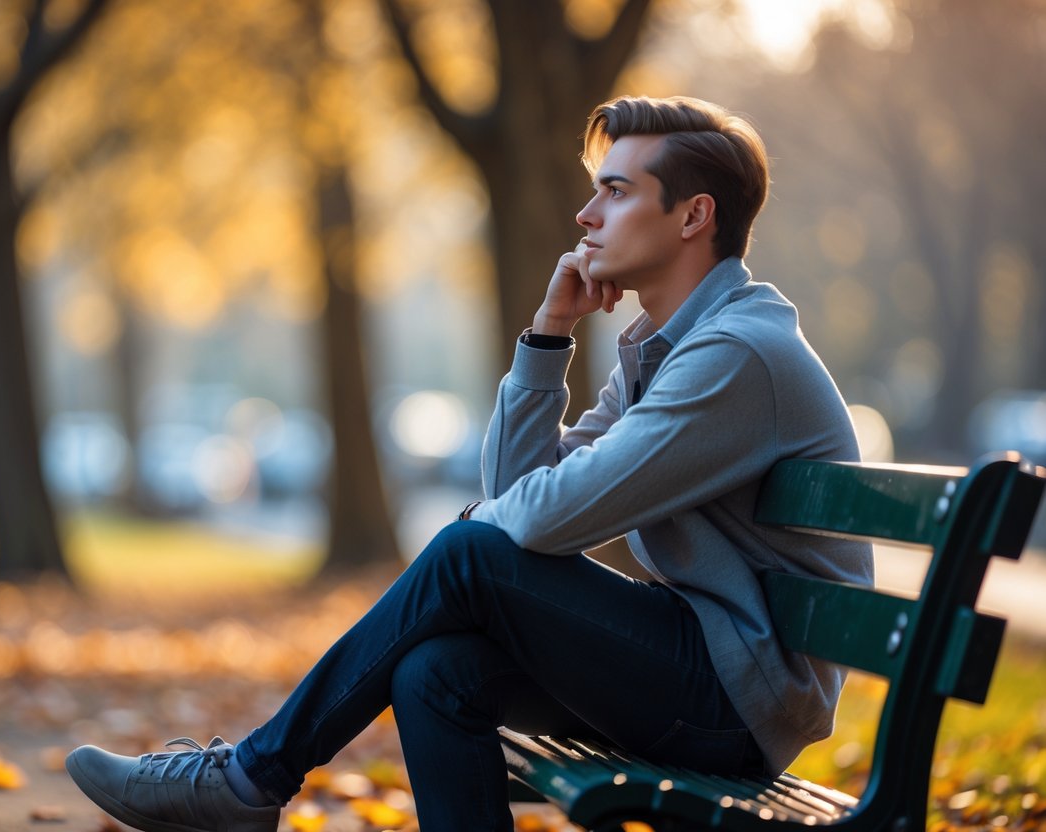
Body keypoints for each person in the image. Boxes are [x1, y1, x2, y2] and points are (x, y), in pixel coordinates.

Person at [65, 94, 873, 832]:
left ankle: (248, 780)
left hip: (738, 698)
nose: (586, 215)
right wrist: (548, 337)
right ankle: (246, 781)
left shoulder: (734, 356)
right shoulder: (667, 351)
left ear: (694, 216)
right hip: (704, 666)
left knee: (468, 551)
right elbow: (520, 497)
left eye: (617, 191)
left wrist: (481, 530)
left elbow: (539, 521)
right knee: (434, 672)